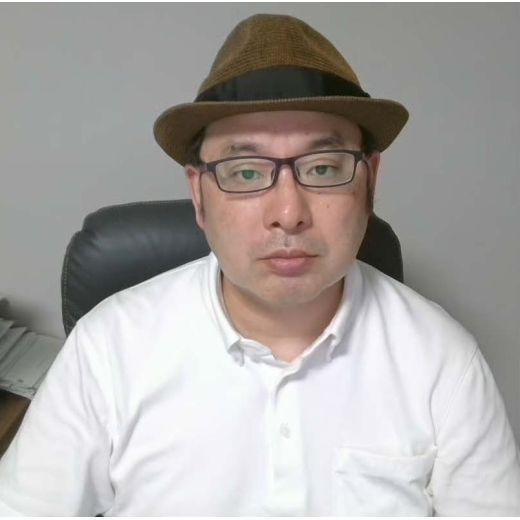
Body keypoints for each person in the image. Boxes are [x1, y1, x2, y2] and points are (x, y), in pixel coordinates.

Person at [0, 13, 519, 516]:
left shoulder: (442, 360)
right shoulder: (107, 348)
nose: (288, 214)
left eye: (323, 168)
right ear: (199, 195)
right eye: (245, 172)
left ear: (370, 182)